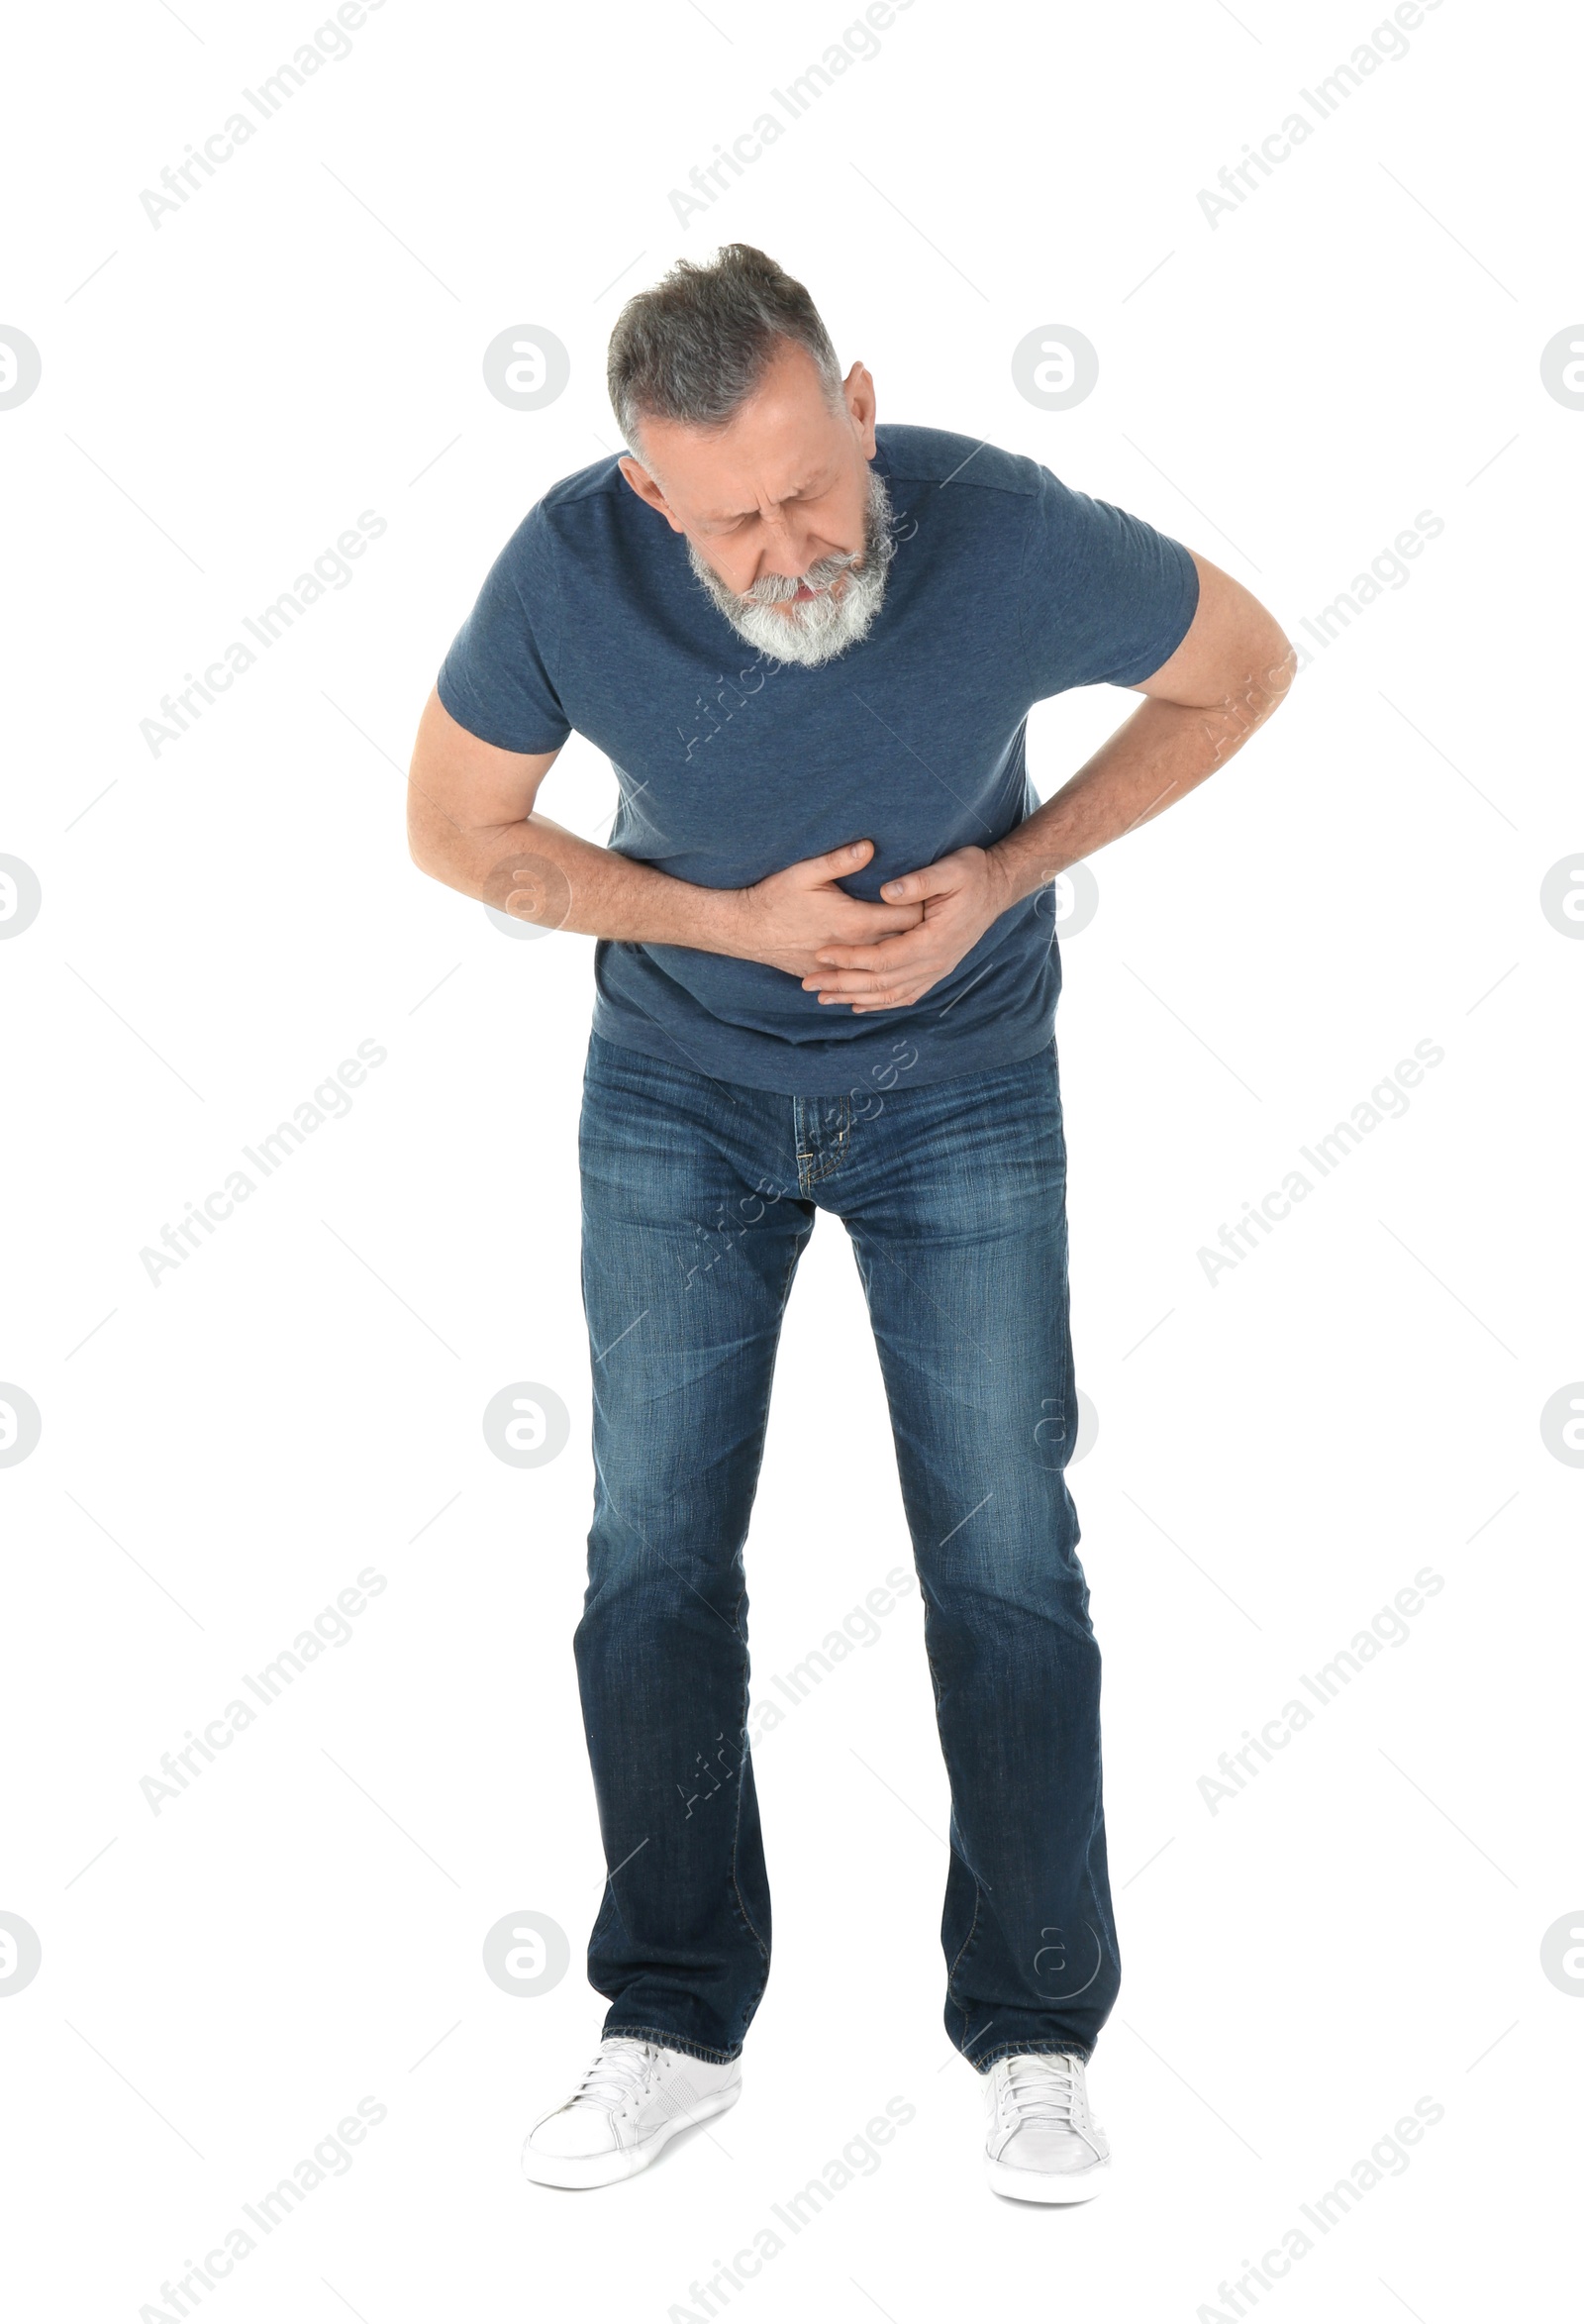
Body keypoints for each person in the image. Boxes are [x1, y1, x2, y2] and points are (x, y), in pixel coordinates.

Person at [407, 244, 1293, 2203]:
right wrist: (723, 921)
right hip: (677, 1096)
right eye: (729, 521)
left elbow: (1242, 666)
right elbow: (455, 828)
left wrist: (1009, 871)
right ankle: (670, 2020)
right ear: (648, 491)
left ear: (862, 407)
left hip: (959, 1093)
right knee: (650, 1555)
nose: (788, 550)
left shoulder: (1002, 527)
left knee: (1008, 1559)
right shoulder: (566, 566)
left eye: (811, 491)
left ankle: (1037, 2037)